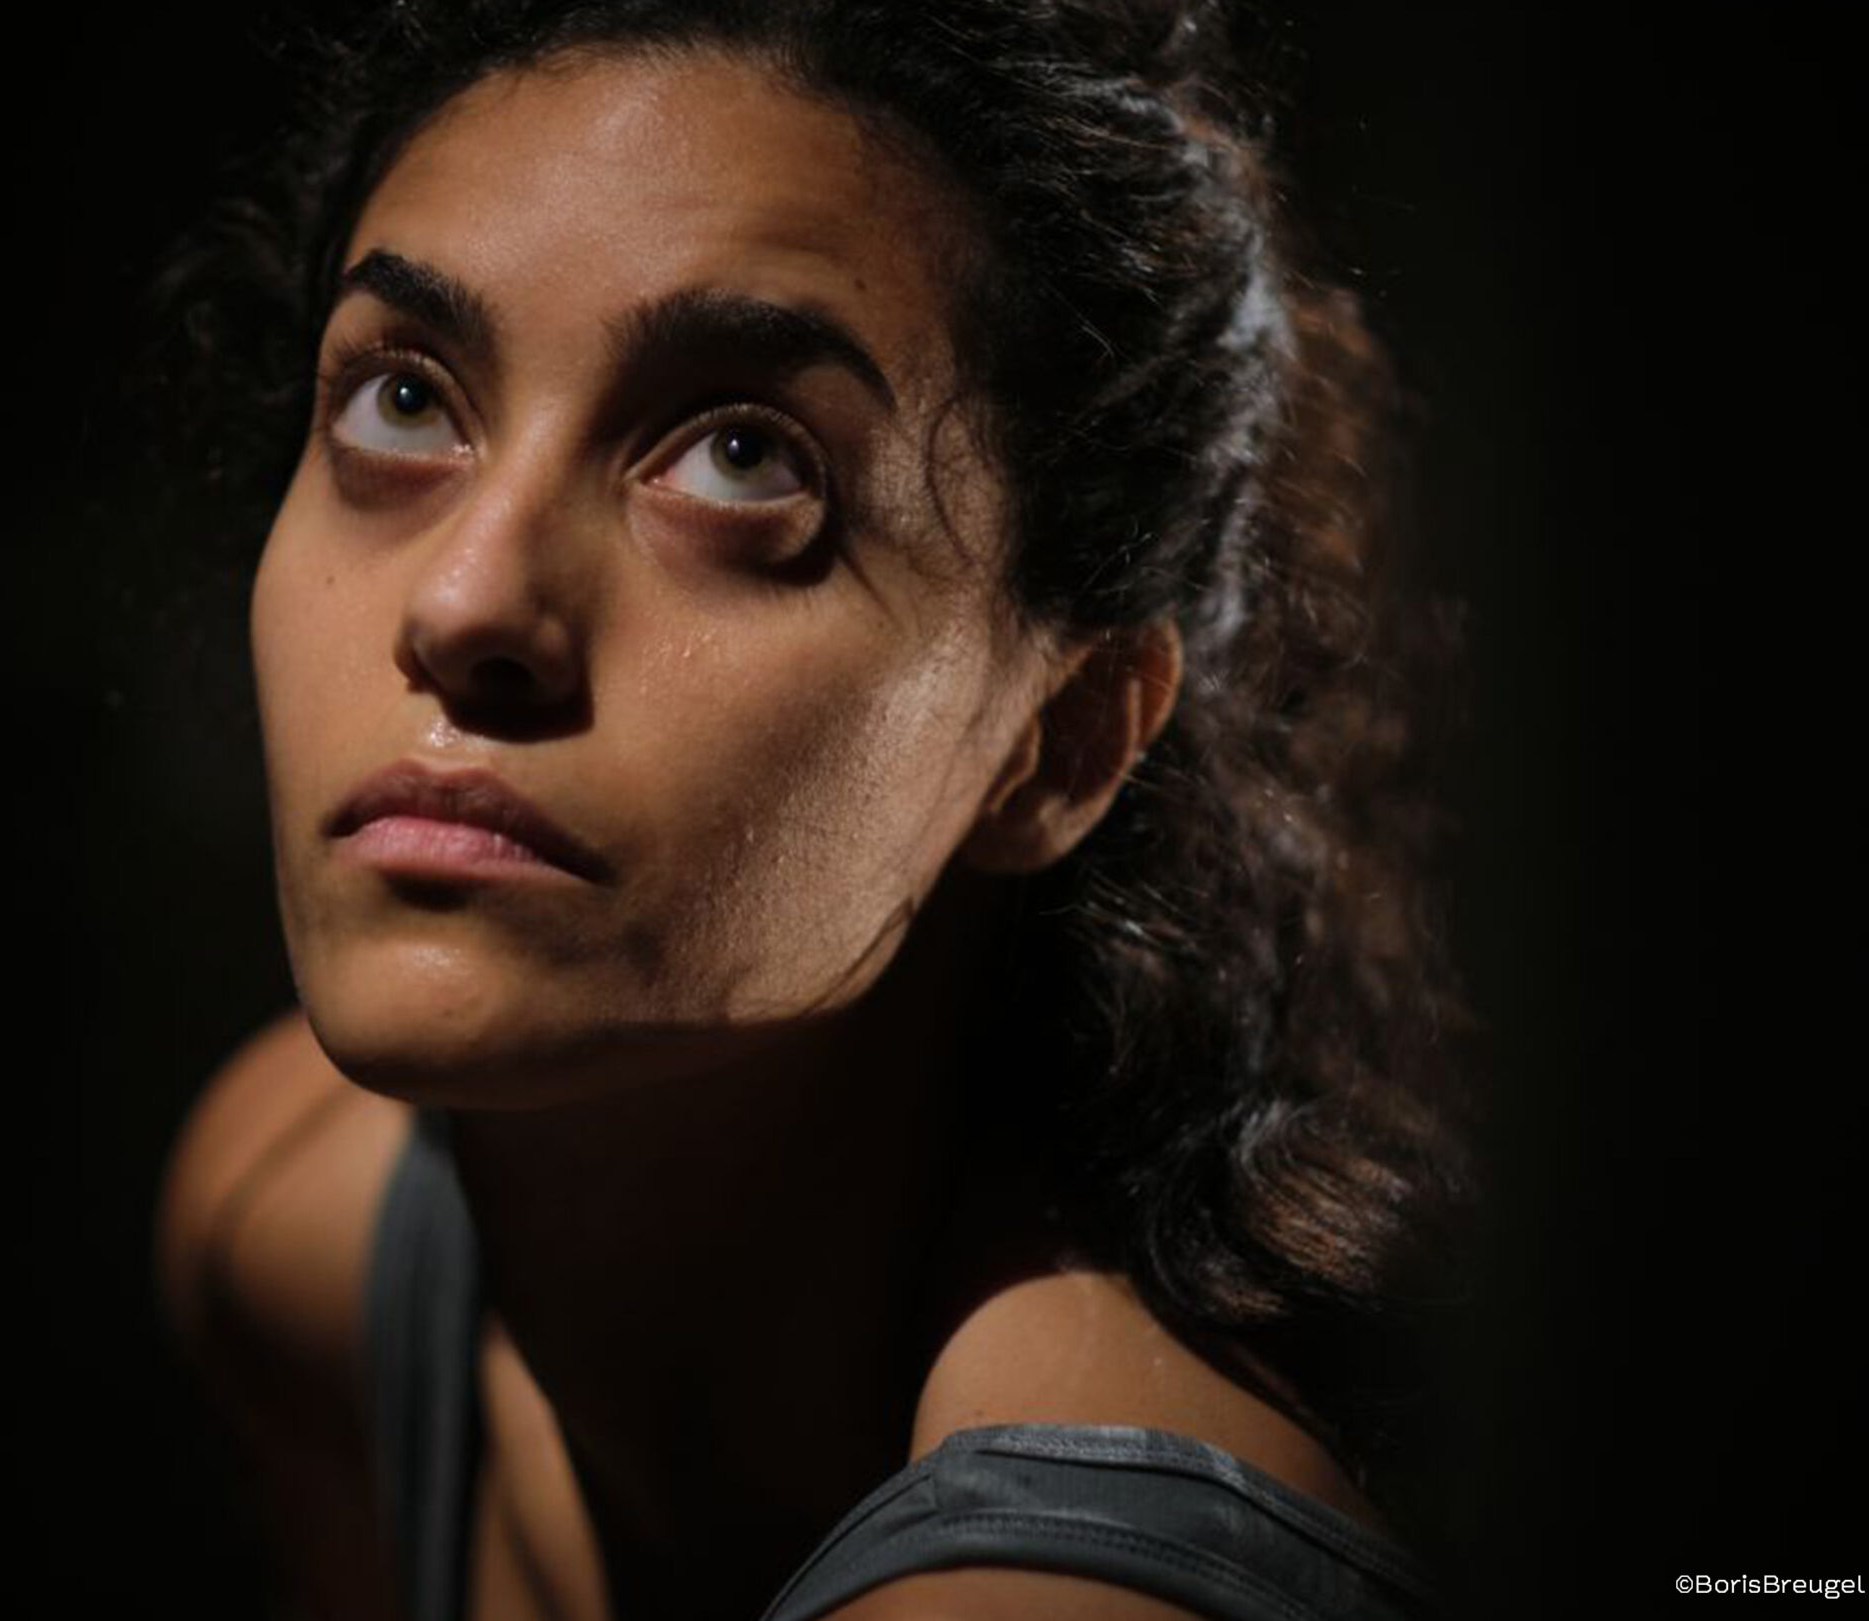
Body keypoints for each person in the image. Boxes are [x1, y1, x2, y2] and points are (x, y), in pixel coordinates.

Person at [152, 2, 1471, 1617]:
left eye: (739, 457)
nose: (467, 599)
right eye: (406, 401)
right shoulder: (286, 1231)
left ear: (1057, 742)